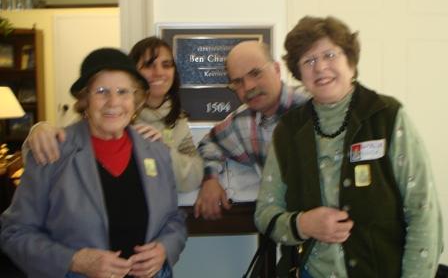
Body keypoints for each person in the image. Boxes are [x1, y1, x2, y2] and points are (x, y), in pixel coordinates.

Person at [254, 16, 443, 278]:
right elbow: (265, 213)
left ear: (351, 62)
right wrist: (302, 224)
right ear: (299, 73)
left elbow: (423, 211)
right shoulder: (288, 130)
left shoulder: (387, 117)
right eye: (308, 60)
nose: (320, 67)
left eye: (330, 54)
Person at [0, 48, 187, 278]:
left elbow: (174, 220)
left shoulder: (156, 151)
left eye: (123, 91)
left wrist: (164, 249)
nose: (113, 102)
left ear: (136, 99)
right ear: (84, 99)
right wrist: (74, 261)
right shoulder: (52, 151)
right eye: (101, 91)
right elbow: (15, 232)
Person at [25, 37, 203, 193]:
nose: (159, 72)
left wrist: (163, 152)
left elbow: (194, 171)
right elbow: (56, 147)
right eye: (149, 65)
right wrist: (40, 130)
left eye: (166, 65)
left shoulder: (178, 120)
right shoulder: (106, 117)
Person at [194, 41, 308, 220]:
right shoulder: (243, 120)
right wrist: (210, 179)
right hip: (286, 228)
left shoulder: (312, 107)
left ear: (277, 69)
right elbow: (210, 143)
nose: (248, 87)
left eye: (255, 73)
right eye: (237, 82)